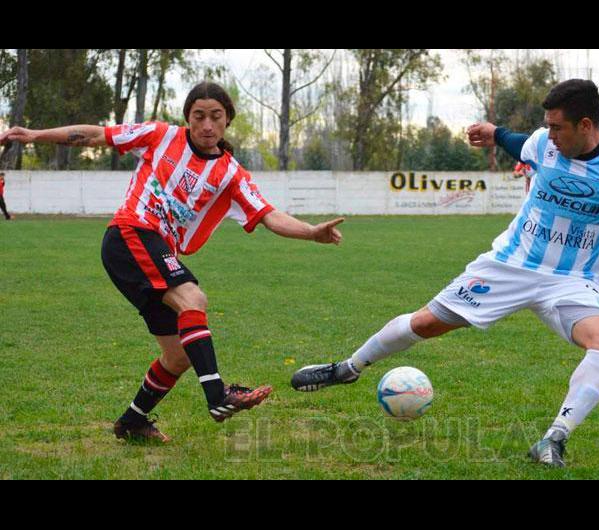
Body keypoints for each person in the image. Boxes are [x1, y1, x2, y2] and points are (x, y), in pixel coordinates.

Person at [290, 79, 599, 467]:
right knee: (424, 324)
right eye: (547, 126)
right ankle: (347, 368)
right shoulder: (543, 144)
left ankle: (553, 440)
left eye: (557, 127)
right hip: (508, 265)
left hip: (572, 282)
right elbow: (515, 139)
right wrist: (490, 133)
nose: (548, 135)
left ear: (587, 126)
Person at [0, 81, 345, 443]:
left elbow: (268, 214)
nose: (207, 125)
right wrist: (34, 134)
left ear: (227, 121)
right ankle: (218, 396)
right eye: (199, 117)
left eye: (216, 117)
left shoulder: (231, 173)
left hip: (153, 250)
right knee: (192, 299)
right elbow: (95, 136)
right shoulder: (160, 135)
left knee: (178, 356)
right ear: (188, 119)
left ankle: (132, 421)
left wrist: (311, 231)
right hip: (130, 232)